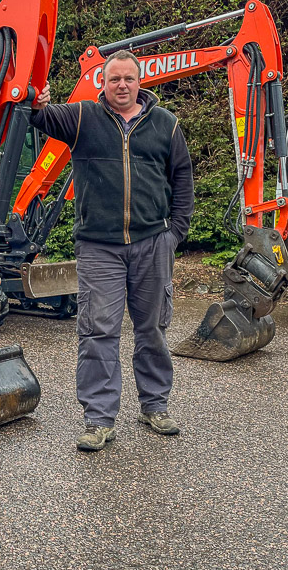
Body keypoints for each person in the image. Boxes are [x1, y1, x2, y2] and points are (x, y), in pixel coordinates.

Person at [30, 49, 194, 452]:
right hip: (99, 248)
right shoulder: (83, 117)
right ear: (102, 83)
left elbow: (183, 178)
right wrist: (37, 99)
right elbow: (41, 116)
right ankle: (99, 420)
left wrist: (175, 233)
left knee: (152, 328)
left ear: (141, 82)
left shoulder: (166, 125)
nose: (122, 85)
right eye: (114, 79)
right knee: (97, 331)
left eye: (129, 79)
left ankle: (154, 405)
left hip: (152, 244)